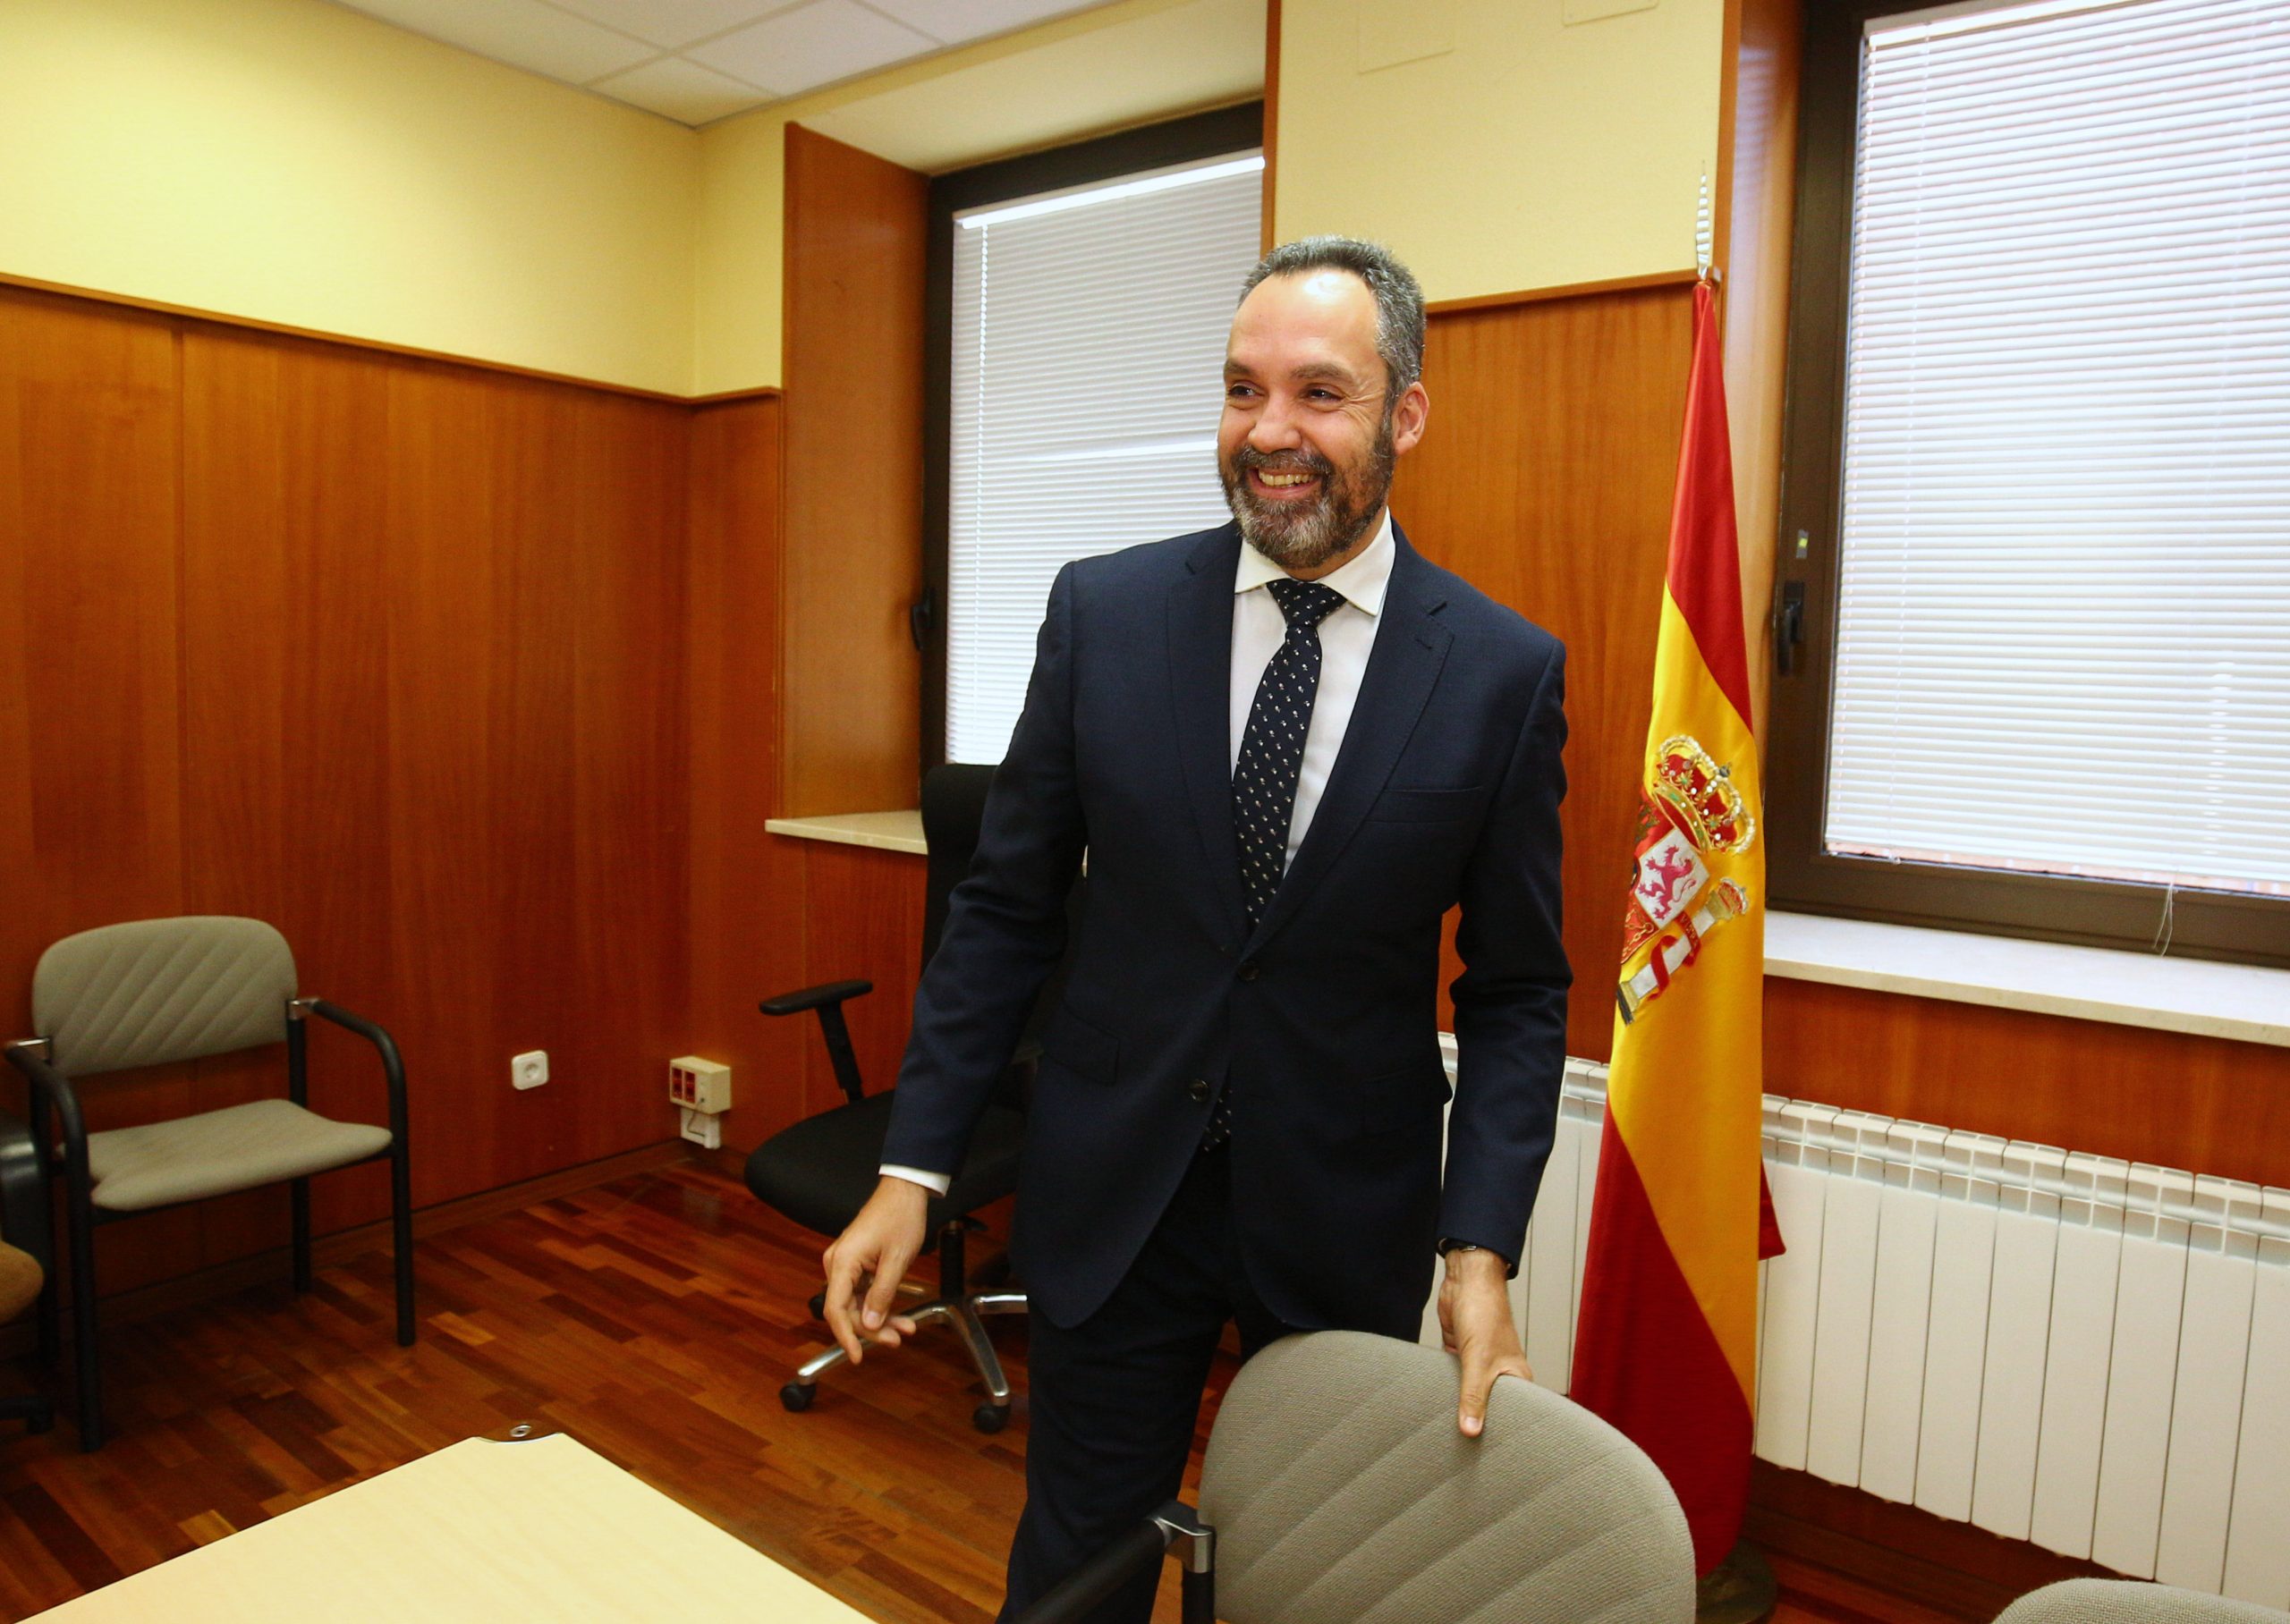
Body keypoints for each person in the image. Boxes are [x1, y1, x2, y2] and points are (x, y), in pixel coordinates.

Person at [820, 236, 1570, 1623]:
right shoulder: (1104, 613)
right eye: (1242, 389)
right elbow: (1003, 915)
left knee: (1307, 1570)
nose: (1269, 435)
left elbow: (1520, 990)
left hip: (1345, 1211)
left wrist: (1481, 1251)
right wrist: (914, 1169)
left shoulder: (1502, 675)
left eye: (1319, 394)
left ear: (1406, 413)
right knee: (1077, 1565)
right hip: (1117, 1193)